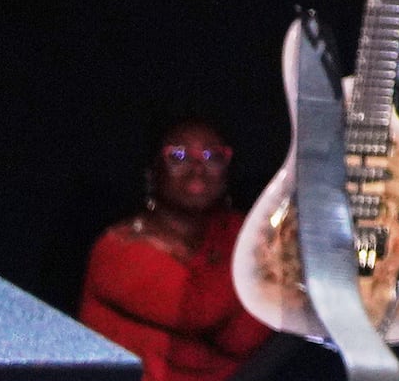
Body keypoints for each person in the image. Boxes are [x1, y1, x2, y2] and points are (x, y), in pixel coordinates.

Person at [80, 119, 270, 381]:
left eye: (213, 156)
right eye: (178, 156)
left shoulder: (238, 231)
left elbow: (246, 337)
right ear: (152, 171)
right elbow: (201, 311)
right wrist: (266, 272)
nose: (197, 169)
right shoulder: (117, 247)